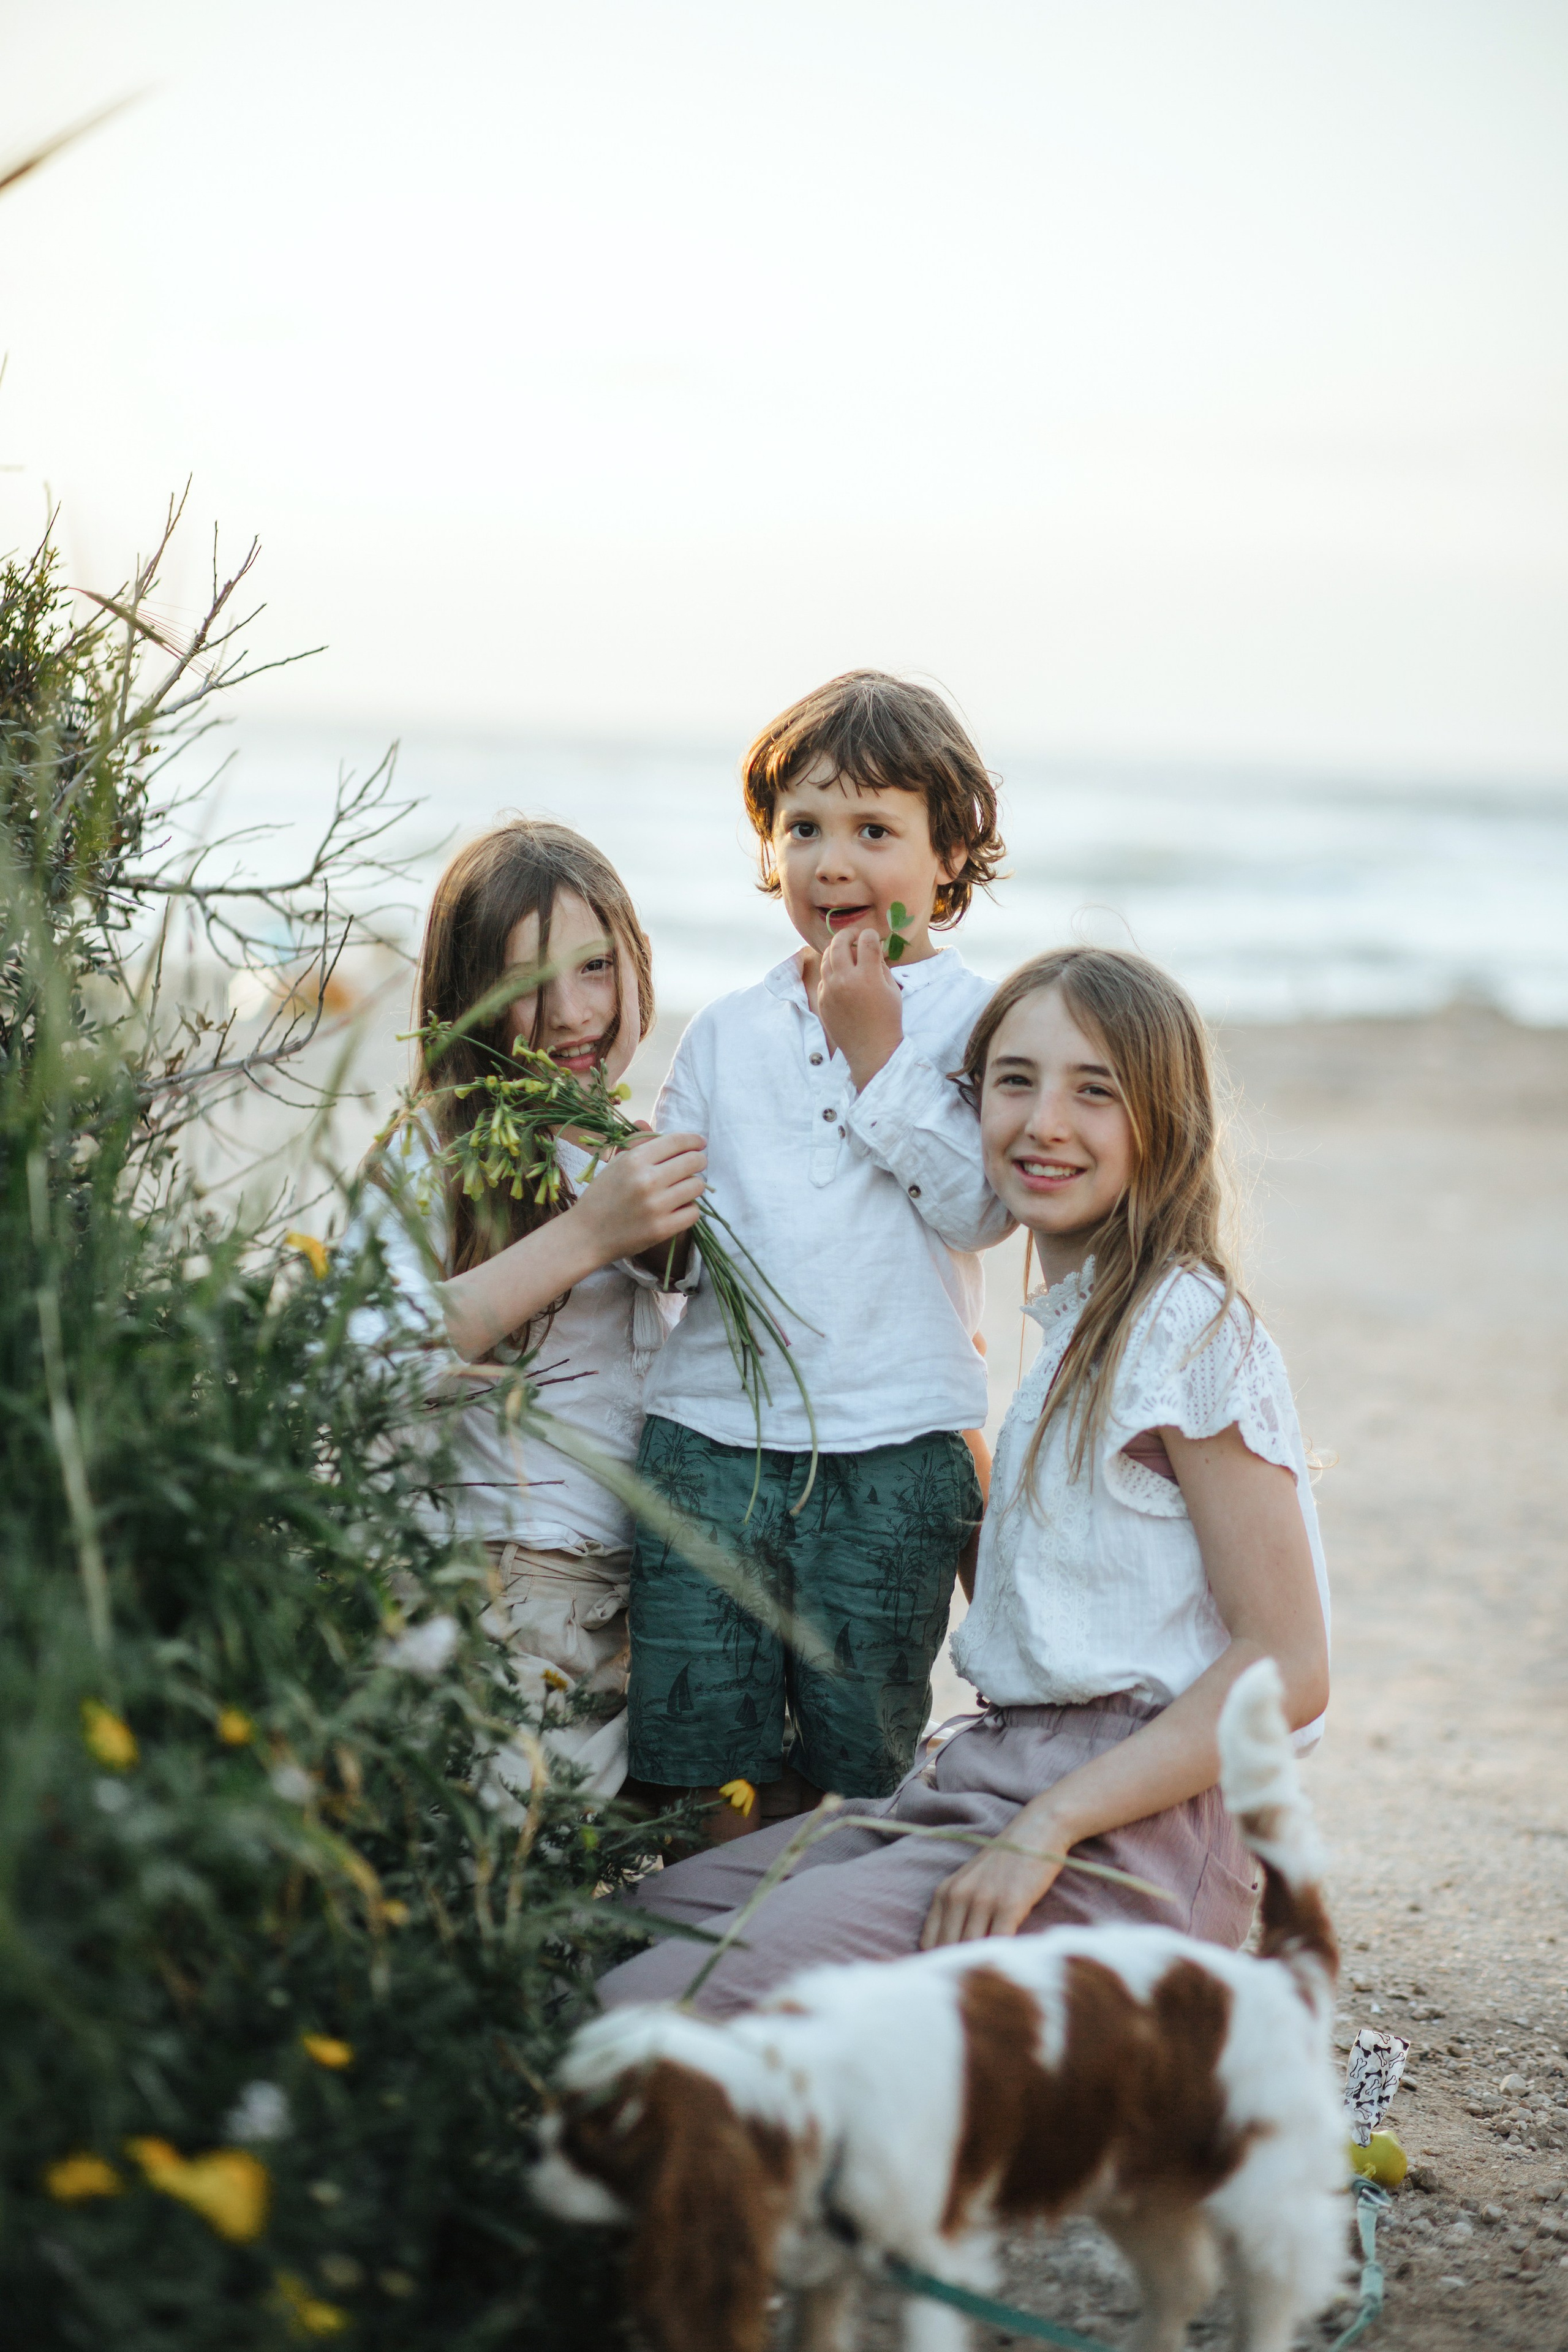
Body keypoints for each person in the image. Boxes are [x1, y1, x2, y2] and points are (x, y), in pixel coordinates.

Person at [598, 944, 1330, 2013]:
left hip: (1123, 1839)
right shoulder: (1068, 1335)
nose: (1042, 1123)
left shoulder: (1188, 1329)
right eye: (1014, 1081)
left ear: (1166, 1122)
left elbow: (1290, 1668)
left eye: (1096, 1091)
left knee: (652, 2006)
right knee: (611, 1935)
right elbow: (1075, 1588)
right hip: (987, 1781)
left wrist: (1047, 1828)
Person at [622, 671, 1011, 1836]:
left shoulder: (975, 1020)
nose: (832, 863)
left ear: (950, 857)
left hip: (893, 1444)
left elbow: (979, 1210)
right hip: (710, 1440)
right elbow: (676, 1243)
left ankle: (820, 1949)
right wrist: (636, 1219)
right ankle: (714, 1958)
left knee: (858, 1749)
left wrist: (877, 1054)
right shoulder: (729, 1029)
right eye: (803, 829)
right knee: (699, 1742)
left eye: (874, 831)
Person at [352, 821, 706, 1795]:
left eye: (596, 966)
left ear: (639, 959)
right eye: (523, 986)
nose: (570, 1012)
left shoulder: (641, 1150)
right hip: (504, 1592)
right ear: (465, 1003)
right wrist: (588, 1236)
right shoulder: (435, 1153)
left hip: (636, 1604)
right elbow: (370, 1361)